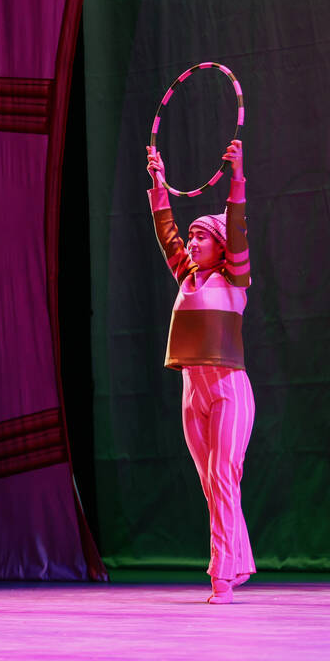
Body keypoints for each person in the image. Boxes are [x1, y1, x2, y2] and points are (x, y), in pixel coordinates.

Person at [146, 138, 255, 604]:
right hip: (193, 390)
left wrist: (236, 178)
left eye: (201, 236)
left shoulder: (236, 278)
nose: (190, 242)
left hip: (229, 388)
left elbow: (237, 224)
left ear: (221, 244)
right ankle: (241, 561)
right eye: (191, 237)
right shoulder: (186, 276)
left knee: (225, 478)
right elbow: (165, 230)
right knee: (212, 484)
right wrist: (158, 184)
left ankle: (221, 578)